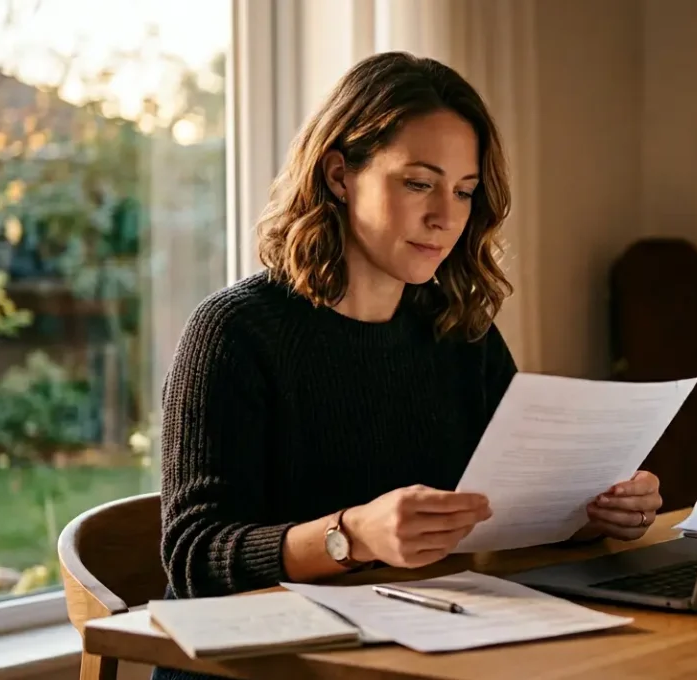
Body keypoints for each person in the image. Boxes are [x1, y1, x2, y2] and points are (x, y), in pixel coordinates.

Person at [152, 52, 663, 680]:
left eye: (464, 192)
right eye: (419, 182)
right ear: (340, 175)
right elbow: (193, 556)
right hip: (262, 666)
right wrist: (352, 536)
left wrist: (593, 512)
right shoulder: (233, 332)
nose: (445, 217)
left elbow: (506, 510)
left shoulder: (459, 329)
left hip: (414, 650)